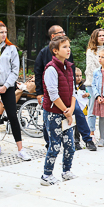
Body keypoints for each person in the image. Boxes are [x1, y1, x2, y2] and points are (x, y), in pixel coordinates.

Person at [34, 25, 96, 151]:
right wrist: (39, 92)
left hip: (68, 93)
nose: (63, 33)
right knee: (48, 120)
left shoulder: (67, 53)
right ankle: (49, 144)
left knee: (78, 112)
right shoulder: (43, 53)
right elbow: (38, 73)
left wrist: (73, 91)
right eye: (60, 32)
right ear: (53, 36)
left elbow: (71, 71)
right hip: (52, 96)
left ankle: (87, 140)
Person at [0, 21, 30, 160]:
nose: (4, 34)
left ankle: (20, 148)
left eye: (5, 32)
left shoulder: (11, 49)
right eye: (1, 32)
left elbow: (14, 70)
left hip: (8, 86)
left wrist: (6, 86)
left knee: (12, 115)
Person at [40, 35, 78, 185]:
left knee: (70, 144)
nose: (68, 49)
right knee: (55, 145)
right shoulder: (51, 68)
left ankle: (66, 171)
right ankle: (46, 175)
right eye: (64, 47)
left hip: (67, 112)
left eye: (69, 46)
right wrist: (65, 110)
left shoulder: (69, 67)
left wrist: (71, 110)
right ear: (55, 51)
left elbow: (74, 91)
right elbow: (52, 94)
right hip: (54, 114)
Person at [84, 28, 104, 144]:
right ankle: (91, 132)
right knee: (92, 108)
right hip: (93, 84)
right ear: (95, 38)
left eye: (103, 35)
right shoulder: (90, 51)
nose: (102, 37)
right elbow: (91, 69)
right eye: (99, 36)